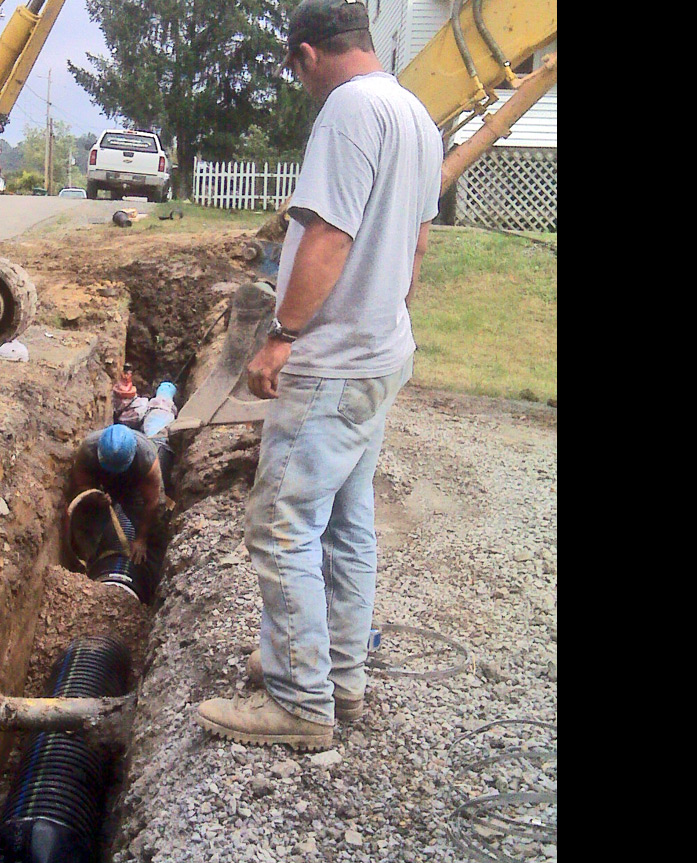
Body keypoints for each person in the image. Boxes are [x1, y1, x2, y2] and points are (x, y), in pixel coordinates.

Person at [195, 0, 442, 750]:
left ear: (306, 55)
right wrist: (386, 311)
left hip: (332, 360)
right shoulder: (416, 115)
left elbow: (328, 237)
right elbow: (418, 244)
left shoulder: (345, 111)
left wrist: (282, 337)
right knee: (346, 519)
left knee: (282, 525)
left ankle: (300, 702)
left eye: (294, 70)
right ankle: (337, 674)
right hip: (380, 352)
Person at [67, 424, 164, 567]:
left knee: (154, 530)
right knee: (87, 517)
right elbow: (82, 485)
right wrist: (95, 497)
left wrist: (141, 539)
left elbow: (151, 502)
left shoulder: (146, 457)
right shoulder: (88, 449)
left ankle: (151, 571)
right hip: (102, 486)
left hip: (134, 487)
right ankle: (90, 559)